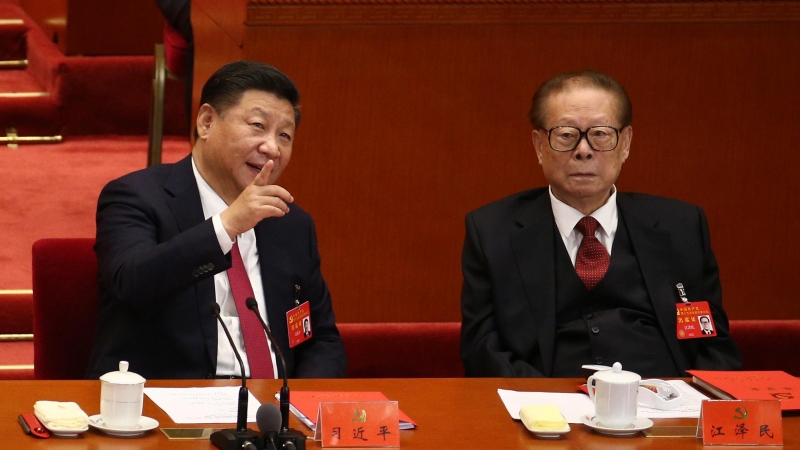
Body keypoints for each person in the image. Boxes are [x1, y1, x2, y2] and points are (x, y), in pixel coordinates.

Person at [460, 70, 741, 378]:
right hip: (547, 412)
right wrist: (543, 405)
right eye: (566, 135)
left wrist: (689, 406)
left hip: (664, 408)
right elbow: (483, 349)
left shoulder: (681, 226)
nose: (583, 150)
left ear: (626, 144)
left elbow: (712, 344)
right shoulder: (493, 231)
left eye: (600, 134)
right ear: (540, 146)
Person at [87, 60, 347, 379]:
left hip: (271, 417)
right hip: (166, 409)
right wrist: (226, 227)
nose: (272, 148)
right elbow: (131, 283)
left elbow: (321, 340)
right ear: (207, 122)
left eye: (285, 136)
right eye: (257, 126)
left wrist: (296, 408)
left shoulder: (291, 224)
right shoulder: (135, 196)